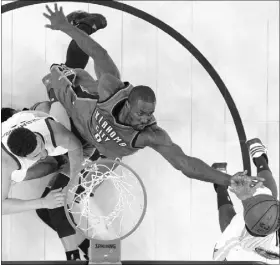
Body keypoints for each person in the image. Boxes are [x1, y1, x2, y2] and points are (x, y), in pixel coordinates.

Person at [42, 4, 262, 189]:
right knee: (66, 75)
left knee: (81, 187)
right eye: (141, 113)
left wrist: (228, 180)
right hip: (73, 102)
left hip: (96, 143)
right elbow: (98, 53)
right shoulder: (111, 86)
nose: (146, 119)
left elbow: (185, 164)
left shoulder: (151, 135)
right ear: (128, 104)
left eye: (150, 114)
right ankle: (86, 24)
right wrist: (64, 28)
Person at [212, 138, 280, 262]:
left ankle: (221, 185)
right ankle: (259, 159)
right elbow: (217, 257)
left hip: (246, 242)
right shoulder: (235, 230)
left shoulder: (235, 231)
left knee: (228, 228)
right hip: (250, 242)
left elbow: (218, 256)